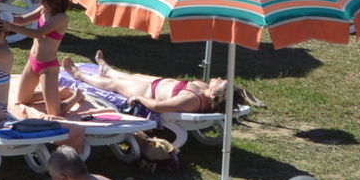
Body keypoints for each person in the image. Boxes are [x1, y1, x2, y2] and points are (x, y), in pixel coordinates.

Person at [67, 53, 246, 115]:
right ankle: (107, 69)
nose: (220, 78)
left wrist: (139, 98)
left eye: (221, 83)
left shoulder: (192, 100)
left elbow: (159, 107)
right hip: (157, 83)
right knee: (132, 75)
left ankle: (79, 74)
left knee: (114, 84)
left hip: (148, 92)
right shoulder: (205, 89)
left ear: (215, 95)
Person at [8, 0, 75, 113]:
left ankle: (76, 96)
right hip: (33, 62)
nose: (41, 2)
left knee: (54, 113)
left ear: (54, 0)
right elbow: (23, 20)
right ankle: (59, 94)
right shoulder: (43, 9)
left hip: (48, 67)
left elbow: (38, 33)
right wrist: (6, 17)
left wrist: (10, 27)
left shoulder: (61, 18)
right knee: (23, 99)